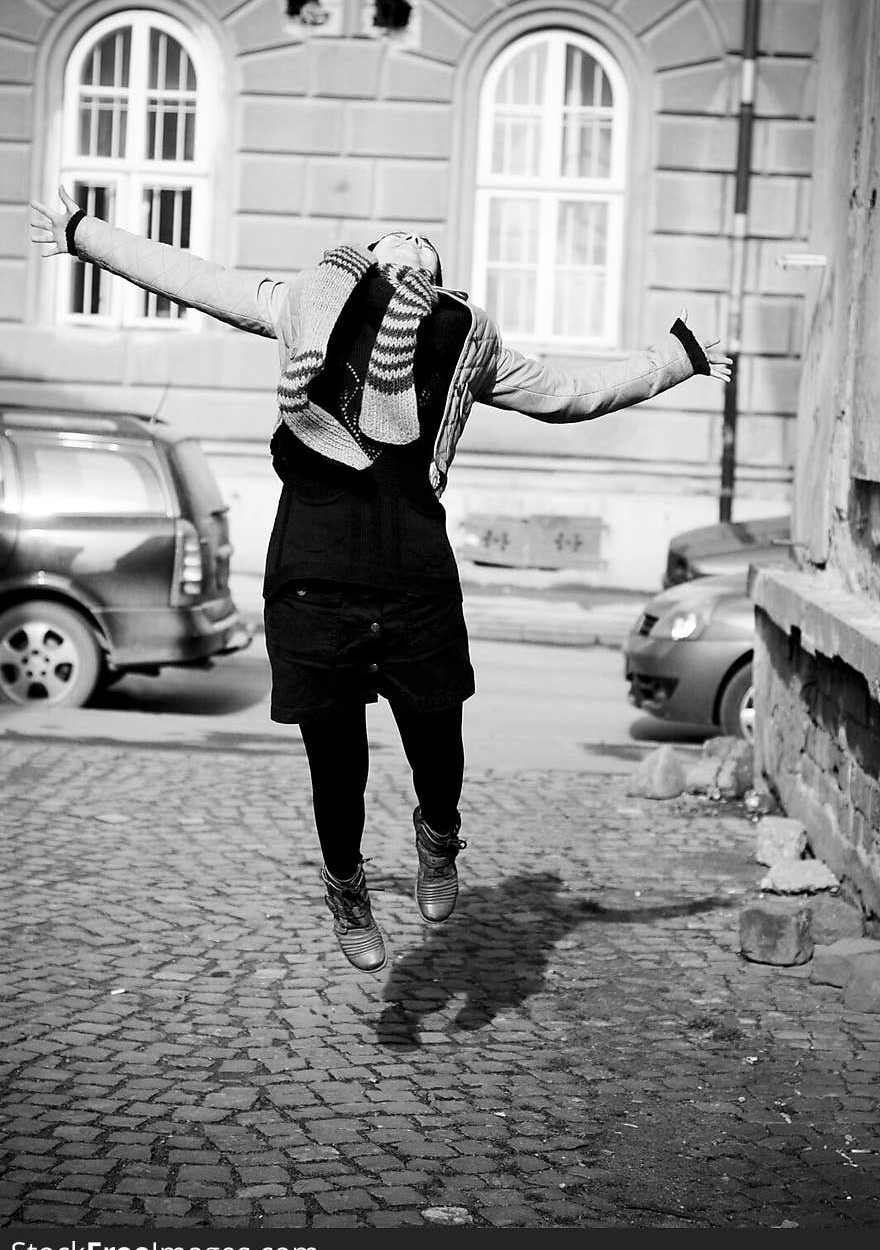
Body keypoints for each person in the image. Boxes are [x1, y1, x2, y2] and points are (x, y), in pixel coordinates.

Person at [30, 187, 732, 975]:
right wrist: (85, 234)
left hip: (414, 579)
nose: (409, 238)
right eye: (394, 235)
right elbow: (198, 278)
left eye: (422, 241)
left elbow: (575, 394)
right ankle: (346, 884)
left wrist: (675, 359)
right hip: (313, 576)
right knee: (337, 764)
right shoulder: (309, 303)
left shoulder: (467, 342)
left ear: (436, 278)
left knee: (439, 743)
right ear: (369, 259)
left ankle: (438, 834)